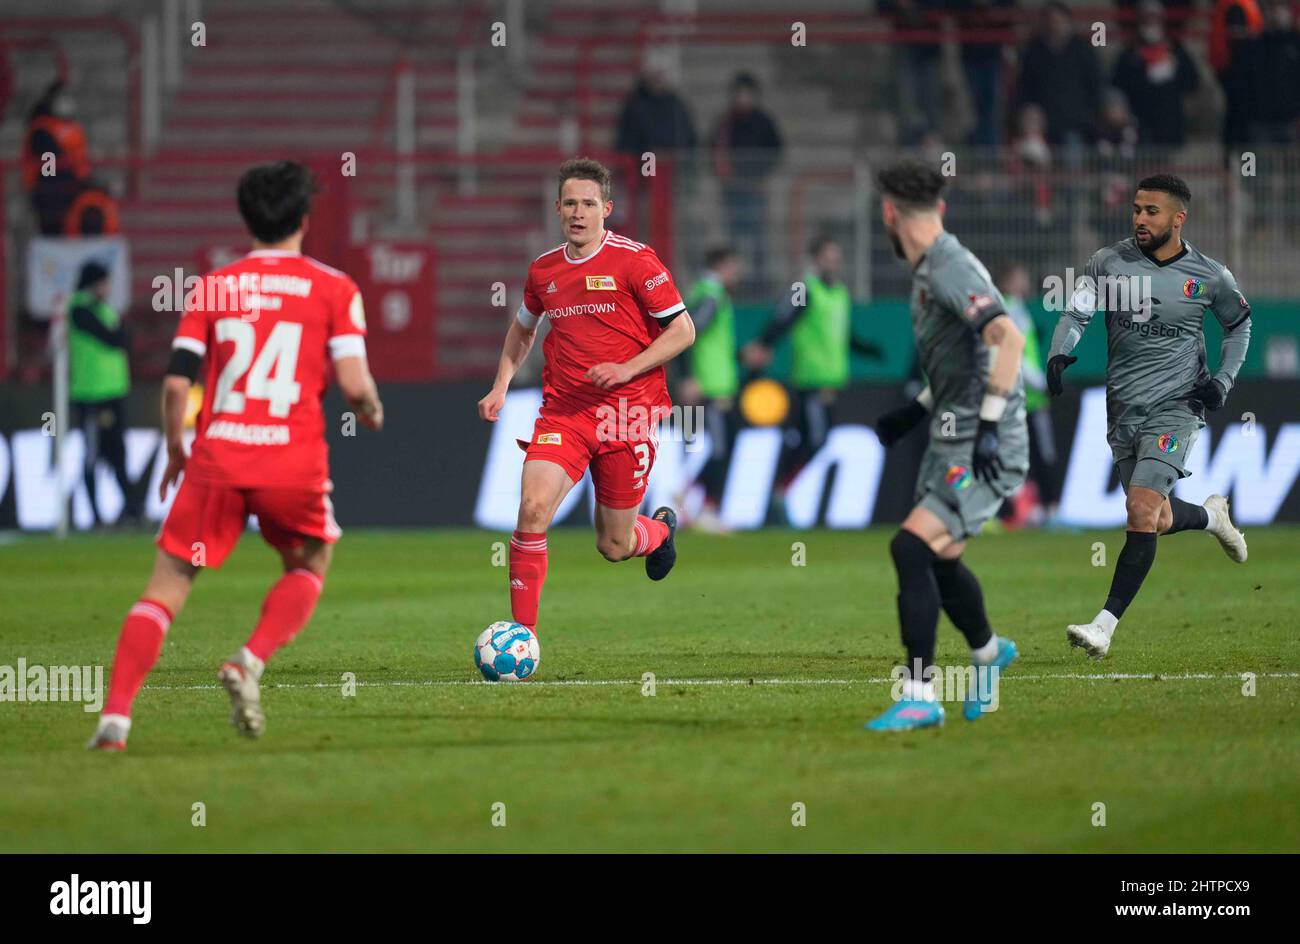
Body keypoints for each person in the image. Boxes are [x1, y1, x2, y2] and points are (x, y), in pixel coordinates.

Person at [87, 161, 384, 751]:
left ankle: (115, 720)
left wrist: (176, 448)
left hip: (218, 457)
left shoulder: (213, 286)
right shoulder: (335, 287)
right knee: (308, 563)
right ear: (304, 218)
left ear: (245, 217)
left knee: (165, 589)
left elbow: (176, 385)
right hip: (291, 461)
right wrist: (372, 409)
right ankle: (248, 660)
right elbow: (354, 384)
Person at [477, 157, 695, 634]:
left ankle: (657, 532)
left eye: (589, 204)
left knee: (614, 546)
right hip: (566, 414)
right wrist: (501, 384)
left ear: (607, 209)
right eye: (570, 203)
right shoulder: (544, 271)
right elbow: (522, 331)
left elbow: (683, 330)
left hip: (627, 415)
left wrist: (628, 368)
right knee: (532, 510)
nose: (579, 212)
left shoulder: (636, 261)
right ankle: (523, 638)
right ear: (557, 209)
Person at [1046, 173, 1251, 660]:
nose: (1140, 218)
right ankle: (1212, 517)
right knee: (1154, 517)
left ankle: (1103, 627)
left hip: (1178, 406)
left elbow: (1240, 327)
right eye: (1136, 209)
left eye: (1151, 211)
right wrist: (1059, 353)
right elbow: (1077, 314)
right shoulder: (1108, 263)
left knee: (1138, 511)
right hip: (1123, 408)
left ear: (1178, 219)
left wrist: (1221, 381)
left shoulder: (1209, 275)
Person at [867, 159, 1027, 731]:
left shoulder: (948, 266)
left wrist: (986, 427)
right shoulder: (933, 267)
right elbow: (963, 364)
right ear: (940, 208)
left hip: (984, 440)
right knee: (940, 560)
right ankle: (987, 654)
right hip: (951, 432)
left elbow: (1008, 339)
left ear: (889, 214)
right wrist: (915, 412)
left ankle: (919, 695)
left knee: (909, 549)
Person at [742, 235, 882, 489]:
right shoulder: (804, 288)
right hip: (810, 378)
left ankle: (781, 489)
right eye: (829, 257)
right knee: (814, 439)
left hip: (833, 379)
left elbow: (843, 334)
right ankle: (780, 489)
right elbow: (782, 317)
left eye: (837, 258)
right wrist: (764, 344)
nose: (834, 262)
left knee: (811, 438)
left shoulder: (839, 292)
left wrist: (868, 350)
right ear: (816, 259)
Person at [67, 260, 141, 526]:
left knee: (118, 454)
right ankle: (95, 515)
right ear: (94, 283)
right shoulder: (79, 309)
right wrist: (121, 333)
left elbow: (121, 338)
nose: (108, 288)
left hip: (112, 392)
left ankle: (132, 511)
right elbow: (116, 338)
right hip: (91, 395)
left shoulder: (101, 309)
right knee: (93, 455)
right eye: (104, 282)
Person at [680, 246, 743, 531]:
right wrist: (688, 377)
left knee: (722, 448)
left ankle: (687, 494)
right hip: (710, 386)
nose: (737, 273)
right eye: (734, 266)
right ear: (723, 265)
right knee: (719, 449)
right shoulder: (711, 297)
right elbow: (685, 336)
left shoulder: (705, 294)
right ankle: (705, 509)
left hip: (717, 384)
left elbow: (712, 344)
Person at [999, 262, 1063, 524]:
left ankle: (1015, 513)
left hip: (1012, 399)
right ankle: (1048, 512)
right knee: (1041, 455)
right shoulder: (1011, 309)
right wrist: (1043, 383)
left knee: (1015, 456)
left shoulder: (1011, 309)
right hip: (1027, 399)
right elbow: (1017, 356)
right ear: (1009, 281)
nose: (1025, 281)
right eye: (1020, 277)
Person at [712, 73, 782, 296]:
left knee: (758, 242)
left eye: (746, 94)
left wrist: (761, 172)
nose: (742, 98)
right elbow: (713, 151)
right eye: (739, 94)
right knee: (734, 242)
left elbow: (777, 150)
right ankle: (735, 286)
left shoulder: (764, 123)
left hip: (755, 191)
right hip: (732, 193)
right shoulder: (725, 124)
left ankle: (759, 287)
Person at [1111, 1, 1199, 148]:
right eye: (1147, 18)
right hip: (1140, 123)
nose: (1151, 23)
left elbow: (1192, 81)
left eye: (1154, 18)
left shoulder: (1177, 50)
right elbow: (1118, 84)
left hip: (1170, 122)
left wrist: (1175, 68)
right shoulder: (1129, 52)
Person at [21, 80, 91, 235]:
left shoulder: (72, 126)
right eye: (63, 98)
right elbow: (48, 169)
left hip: (74, 188)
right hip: (52, 196)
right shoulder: (42, 130)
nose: (68, 102)